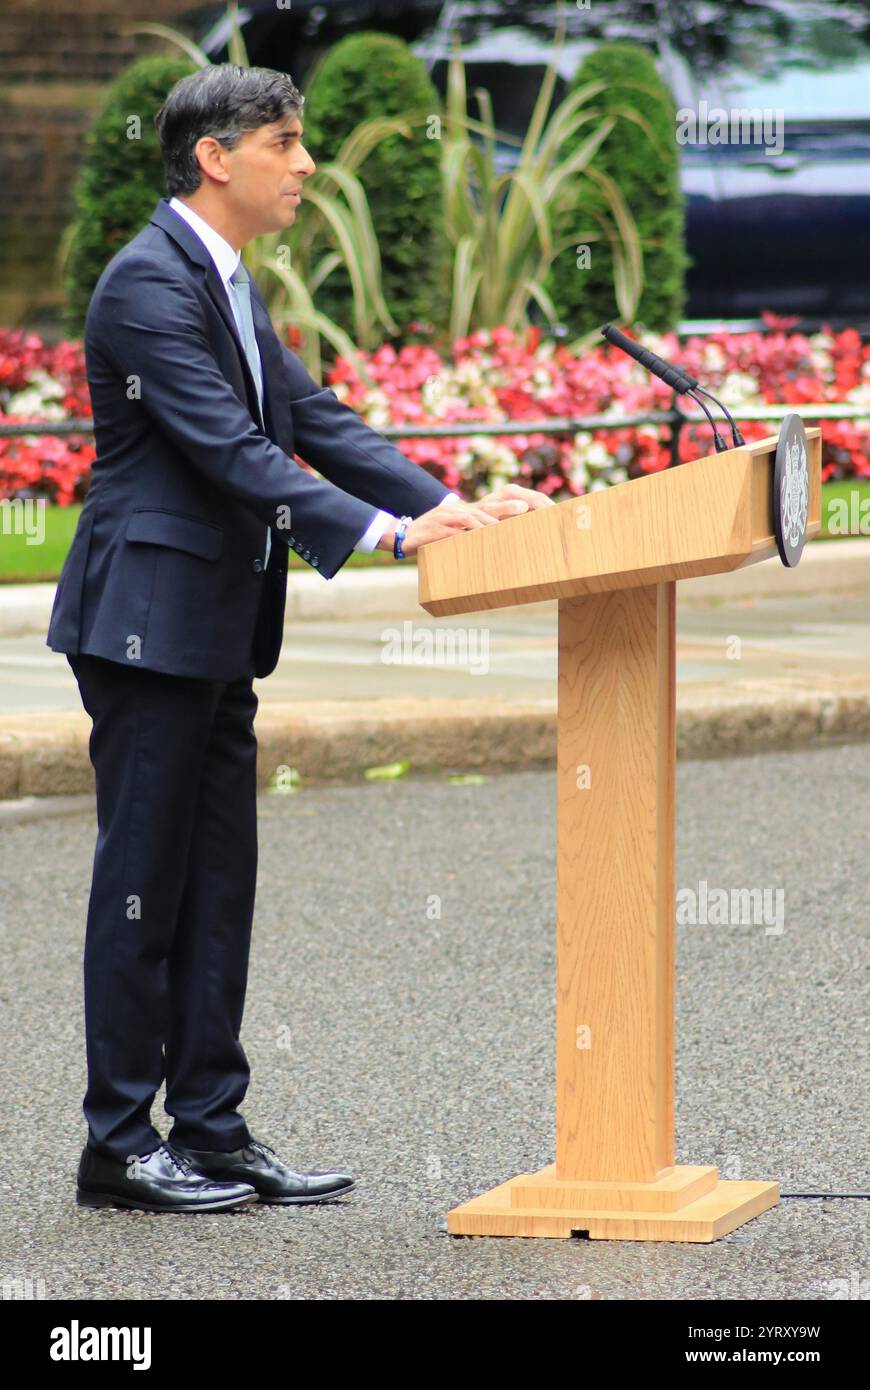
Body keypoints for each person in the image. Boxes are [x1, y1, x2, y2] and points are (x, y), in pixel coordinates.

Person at [47, 62, 552, 1213]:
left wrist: (445, 503)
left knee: (217, 881)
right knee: (143, 887)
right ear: (215, 157)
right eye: (284, 141)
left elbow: (308, 416)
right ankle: (120, 1145)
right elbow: (231, 449)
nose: (308, 163)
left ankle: (211, 1126)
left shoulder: (223, 279)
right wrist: (386, 533)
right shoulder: (145, 286)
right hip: (144, 625)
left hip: (215, 626)